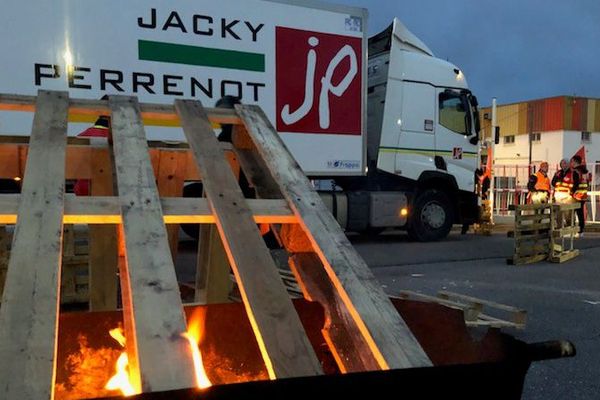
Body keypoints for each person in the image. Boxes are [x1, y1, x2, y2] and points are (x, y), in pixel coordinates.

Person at [571, 155, 589, 236]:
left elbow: (575, 184)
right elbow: (587, 182)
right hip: (583, 195)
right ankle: (581, 230)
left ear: (575, 161)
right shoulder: (585, 171)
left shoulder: (575, 171)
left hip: (576, 195)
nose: (571, 163)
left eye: (572, 161)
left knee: (572, 213)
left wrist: (571, 192)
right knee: (580, 213)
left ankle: (574, 230)